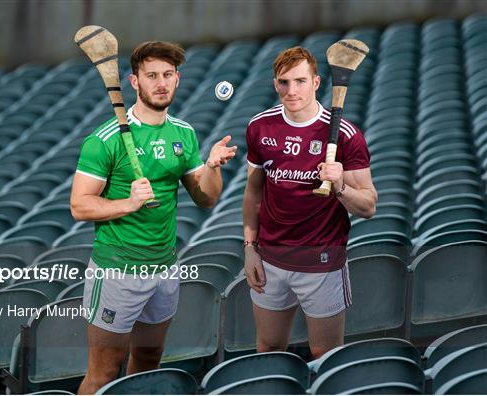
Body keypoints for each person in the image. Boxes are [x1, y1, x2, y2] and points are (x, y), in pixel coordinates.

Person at [71, 41, 236, 394]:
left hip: (164, 270)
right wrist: (127, 204)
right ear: (134, 82)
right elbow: (80, 205)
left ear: (177, 79)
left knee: (149, 362)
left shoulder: (183, 133)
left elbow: (205, 198)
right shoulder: (104, 140)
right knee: (103, 371)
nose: (161, 83)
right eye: (151, 76)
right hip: (117, 270)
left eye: (167, 75)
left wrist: (211, 166)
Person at [242, 46, 377, 359]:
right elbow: (253, 193)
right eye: (284, 82)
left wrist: (340, 185)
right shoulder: (260, 127)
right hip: (270, 261)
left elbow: (369, 206)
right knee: (268, 350)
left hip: (322, 263)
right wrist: (249, 247)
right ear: (275, 84)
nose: (292, 90)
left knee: (326, 355)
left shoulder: (345, 134)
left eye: (301, 81)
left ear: (317, 82)